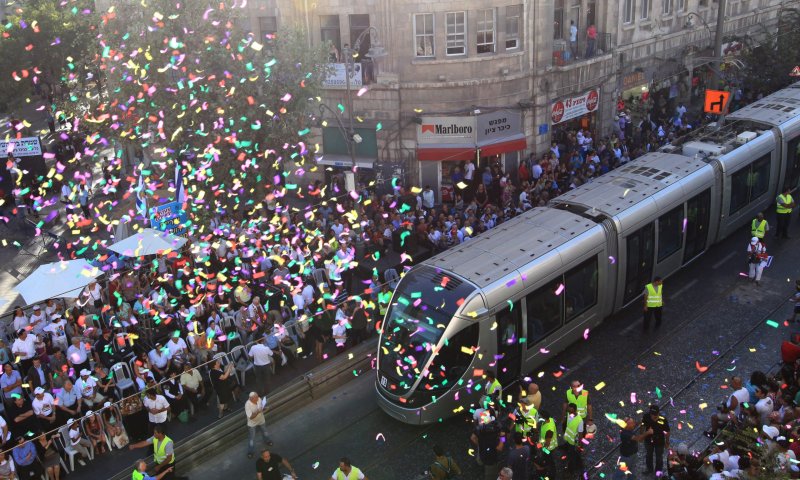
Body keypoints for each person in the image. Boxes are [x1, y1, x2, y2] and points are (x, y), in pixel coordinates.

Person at [471, 410, 504, 480]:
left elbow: (473, 438)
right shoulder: (495, 431)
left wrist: (479, 444)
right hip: (491, 458)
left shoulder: (479, 428)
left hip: (483, 453)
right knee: (491, 474)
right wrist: (502, 438)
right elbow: (500, 448)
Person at [642, 404, 670, 475]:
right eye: (652, 414)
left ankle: (658, 472)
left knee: (659, 457)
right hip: (648, 440)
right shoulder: (646, 417)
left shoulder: (663, 419)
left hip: (659, 441)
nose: (654, 416)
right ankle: (649, 469)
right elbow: (642, 425)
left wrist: (667, 441)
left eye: (656, 414)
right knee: (648, 455)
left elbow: (667, 431)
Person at [245, 392, 273, 459]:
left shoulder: (259, 399)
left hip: (261, 420)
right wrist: (258, 411)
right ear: (251, 399)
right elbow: (251, 417)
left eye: (258, 397)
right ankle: (250, 452)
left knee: (265, 432)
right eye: (256, 398)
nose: (258, 398)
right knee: (251, 438)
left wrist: (265, 408)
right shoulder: (247, 405)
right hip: (252, 424)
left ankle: (268, 441)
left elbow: (261, 408)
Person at [562, 402, 584, 475]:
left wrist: (579, 445)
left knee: (572, 456)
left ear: (575, 411)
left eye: (570, 411)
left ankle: (571, 468)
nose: (569, 412)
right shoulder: (569, 414)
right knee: (569, 451)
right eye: (568, 411)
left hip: (573, 441)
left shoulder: (580, 421)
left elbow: (580, 434)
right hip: (568, 437)